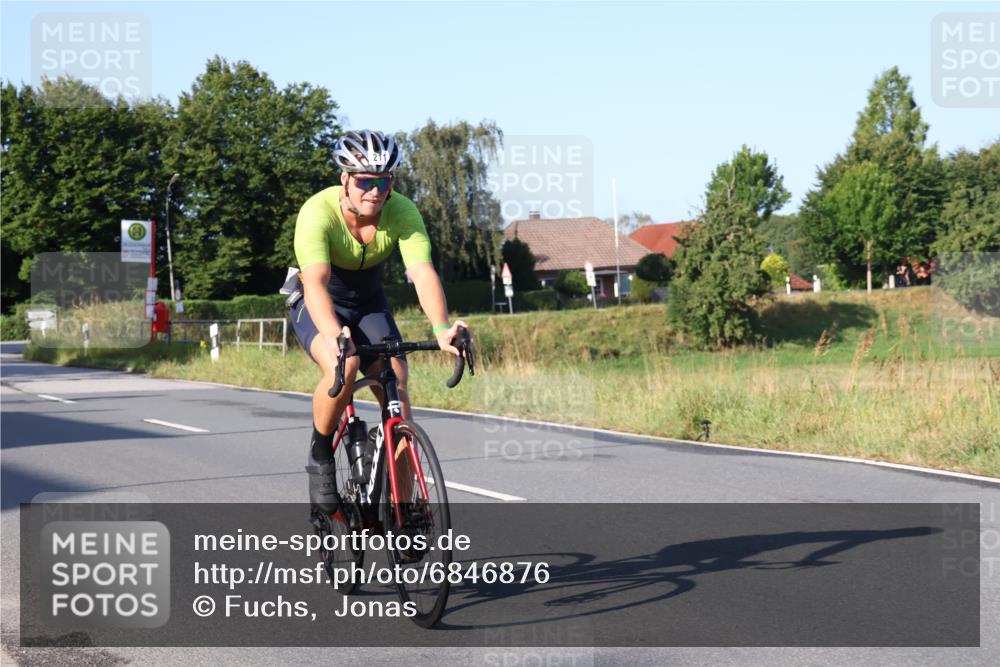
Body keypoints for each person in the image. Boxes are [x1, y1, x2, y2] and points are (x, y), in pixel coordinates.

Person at [289, 129, 468, 512]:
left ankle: (406, 509)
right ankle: (320, 453)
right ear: (345, 179)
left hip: (369, 303)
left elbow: (422, 272)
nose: (374, 191)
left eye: (383, 181)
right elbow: (316, 284)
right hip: (318, 301)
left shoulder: (402, 211)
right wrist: (336, 335)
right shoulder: (317, 213)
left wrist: (441, 328)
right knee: (346, 363)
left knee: (397, 388)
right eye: (365, 181)